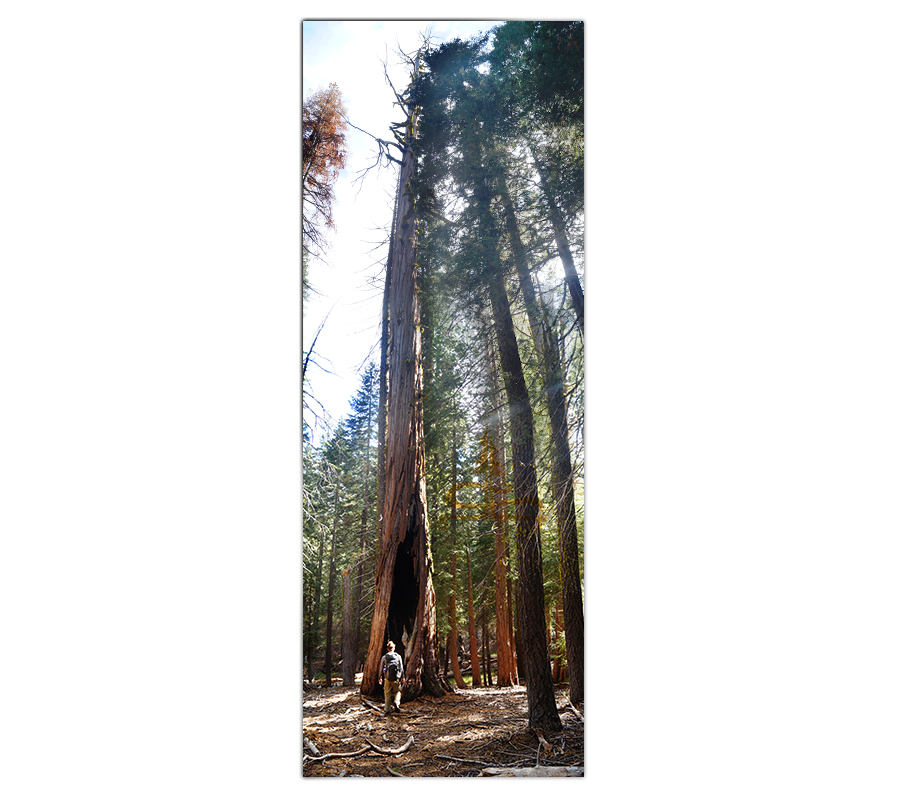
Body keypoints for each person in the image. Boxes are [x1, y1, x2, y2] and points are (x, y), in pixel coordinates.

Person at [378, 641, 404, 715]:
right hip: (396, 678)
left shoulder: (384, 657)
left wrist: (380, 678)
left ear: (387, 649)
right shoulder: (398, 656)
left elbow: (381, 668)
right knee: (397, 692)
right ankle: (396, 702)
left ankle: (387, 710)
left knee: (387, 693)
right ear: (394, 648)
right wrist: (403, 677)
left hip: (387, 678)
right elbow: (401, 668)